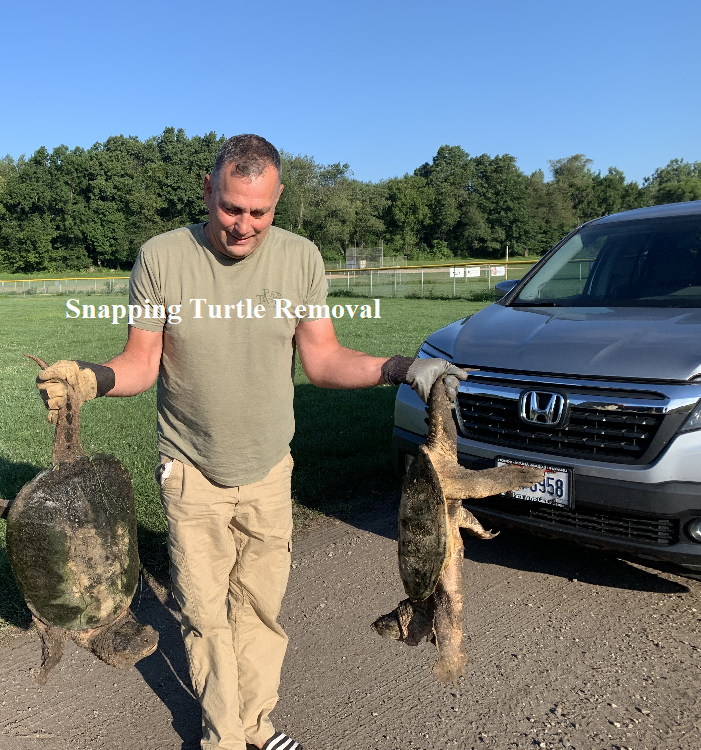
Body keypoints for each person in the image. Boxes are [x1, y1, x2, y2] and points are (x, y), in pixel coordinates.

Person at [36, 134, 464, 750]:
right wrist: (90, 379)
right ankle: (223, 738)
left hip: (269, 468)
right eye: (231, 208)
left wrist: (400, 368)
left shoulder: (300, 259)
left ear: (279, 199)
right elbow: (141, 363)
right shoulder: (162, 257)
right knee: (206, 618)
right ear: (208, 191)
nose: (243, 225)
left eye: (258, 212)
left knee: (262, 613)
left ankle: (258, 726)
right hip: (190, 470)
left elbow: (323, 360)